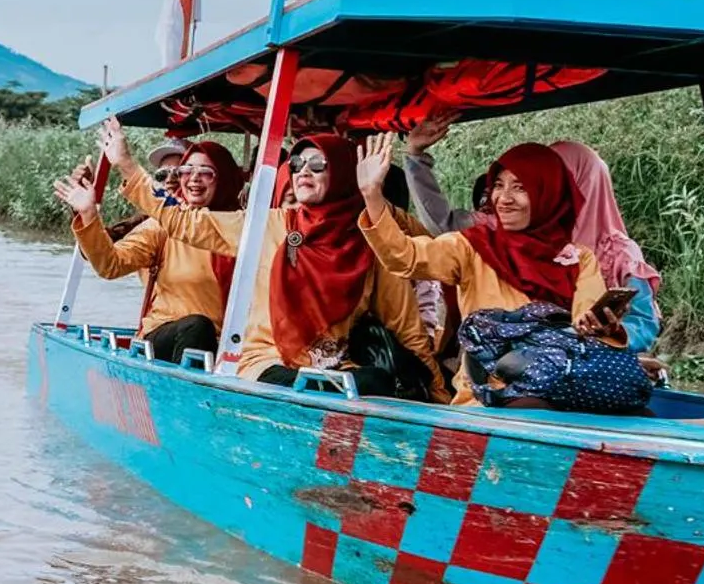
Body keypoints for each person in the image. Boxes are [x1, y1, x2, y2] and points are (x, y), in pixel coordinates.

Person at [82, 122, 445, 401]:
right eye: (298, 163)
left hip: (330, 367)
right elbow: (182, 222)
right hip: (267, 362)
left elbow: (408, 326)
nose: (302, 171)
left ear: (343, 175)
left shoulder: (370, 237)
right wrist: (128, 167)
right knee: (205, 334)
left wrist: (440, 399)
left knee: (378, 381)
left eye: (317, 164)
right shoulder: (270, 226)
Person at [354, 136, 628, 406]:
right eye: (498, 185)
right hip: (486, 395)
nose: (503, 198)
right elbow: (406, 257)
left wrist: (599, 325)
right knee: (530, 410)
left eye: (520, 188)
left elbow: (586, 318)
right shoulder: (472, 246)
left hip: (559, 386)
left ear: (549, 193)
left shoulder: (577, 259)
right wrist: (372, 195)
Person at [53, 135, 247, 363]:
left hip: (231, 344)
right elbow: (110, 264)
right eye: (187, 171)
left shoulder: (245, 227)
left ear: (223, 179)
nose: (193, 179)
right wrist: (87, 213)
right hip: (171, 335)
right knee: (197, 327)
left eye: (205, 172)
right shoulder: (160, 227)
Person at [551, 141, 664, 353]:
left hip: (599, 367)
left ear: (587, 185)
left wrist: (613, 332)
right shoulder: (534, 244)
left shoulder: (620, 253)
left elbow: (644, 323)